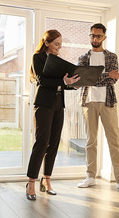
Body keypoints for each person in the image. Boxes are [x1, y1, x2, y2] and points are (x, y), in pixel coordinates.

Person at [76, 23, 119, 192]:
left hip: (108, 102)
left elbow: (113, 80)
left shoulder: (112, 57)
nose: (94, 39)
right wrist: (104, 75)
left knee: (114, 141)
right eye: (92, 35)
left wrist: (93, 76)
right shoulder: (83, 57)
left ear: (104, 37)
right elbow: (83, 80)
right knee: (90, 142)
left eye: (98, 36)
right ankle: (90, 176)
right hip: (88, 102)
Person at [25, 29, 81, 200]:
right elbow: (42, 80)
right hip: (43, 104)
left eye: (60, 44)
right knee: (41, 143)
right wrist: (63, 81)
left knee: (54, 143)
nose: (59, 47)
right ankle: (31, 182)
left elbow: (61, 83)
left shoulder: (57, 61)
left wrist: (73, 84)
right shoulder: (38, 58)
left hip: (58, 105)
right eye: (56, 44)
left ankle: (46, 180)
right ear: (47, 42)